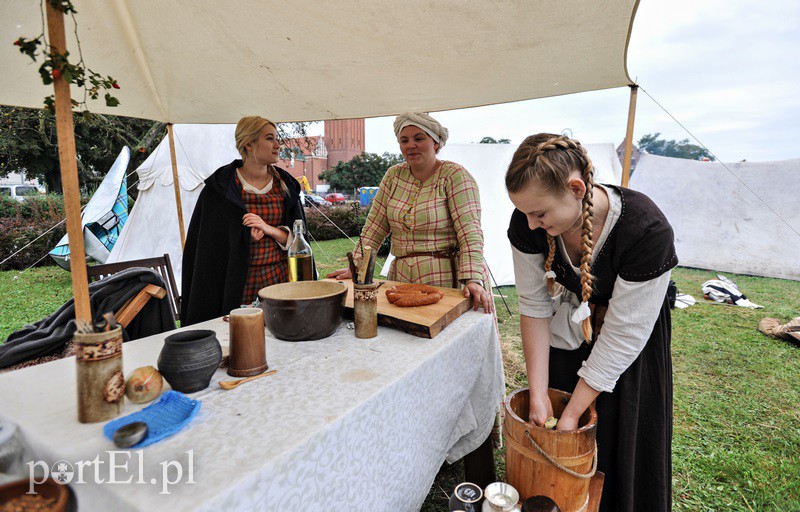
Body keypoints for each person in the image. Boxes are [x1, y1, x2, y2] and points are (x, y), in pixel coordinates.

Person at [505, 133, 677, 512]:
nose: (531, 225)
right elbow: (534, 306)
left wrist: (572, 415)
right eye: (525, 213)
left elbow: (623, 336)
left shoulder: (646, 230)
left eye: (540, 214)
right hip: (570, 330)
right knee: (557, 440)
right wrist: (540, 394)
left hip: (628, 346)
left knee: (617, 442)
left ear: (576, 188)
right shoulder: (527, 223)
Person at [328, 112, 493, 314]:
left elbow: (470, 232)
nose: (410, 145)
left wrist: (473, 278)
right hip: (403, 277)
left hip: (448, 277)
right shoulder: (393, 176)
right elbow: (374, 228)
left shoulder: (455, 176)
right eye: (404, 140)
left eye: (419, 138)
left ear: (436, 143)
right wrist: (356, 267)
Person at [181, 116, 310, 325]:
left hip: (279, 281)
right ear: (249, 144)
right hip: (238, 286)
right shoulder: (220, 189)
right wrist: (242, 236)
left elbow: (299, 238)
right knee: (241, 337)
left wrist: (268, 229)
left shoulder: (286, 185)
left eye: (276, 139)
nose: (277, 145)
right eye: (269, 138)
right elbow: (208, 247)